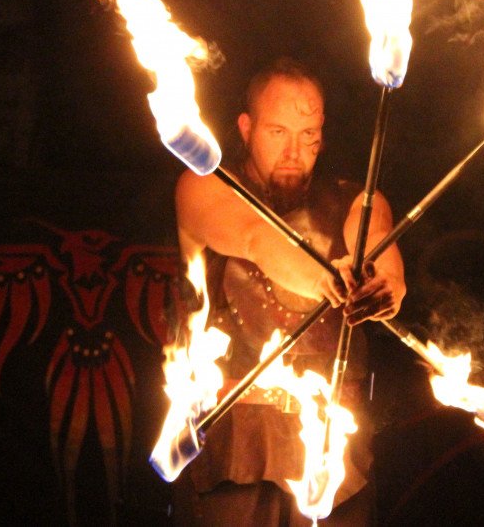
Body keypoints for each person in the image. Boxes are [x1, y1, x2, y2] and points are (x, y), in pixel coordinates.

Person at [171, 58, 406, 525]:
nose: (294, 151)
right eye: (277, 132)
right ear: (246, 127)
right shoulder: (204, 187)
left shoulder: (356, 198)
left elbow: (377, 241)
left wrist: (386, 287)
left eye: (308, 134)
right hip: (232, 440)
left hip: (330, 445)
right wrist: (327, 280)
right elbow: (258, 239)